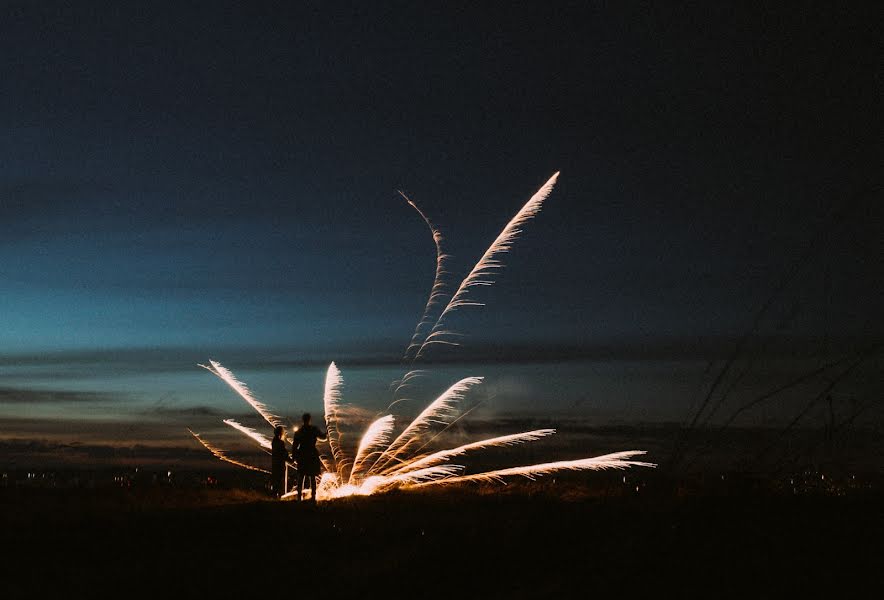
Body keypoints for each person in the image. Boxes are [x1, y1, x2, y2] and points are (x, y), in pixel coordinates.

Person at [292, 413, 326, 502]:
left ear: (303, 420)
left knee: (301, 476)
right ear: (309, 419)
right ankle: (313, 497)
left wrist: (294, 456)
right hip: (311, 454)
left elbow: (294, 446)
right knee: (312, 476)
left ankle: (299, 497)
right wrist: (328, 430)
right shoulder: (314, 429)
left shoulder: (299, 431)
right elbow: (323, 437)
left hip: (302, 454)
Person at [270, 425, 289, 498]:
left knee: (275, 480)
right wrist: (291, 460)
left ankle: (275, 497)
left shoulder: (274, 441)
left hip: (275, 463)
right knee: (280, 481)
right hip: (280, 464)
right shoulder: (280, 442)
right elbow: (284, 453)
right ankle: (280, 497)